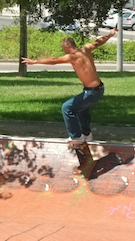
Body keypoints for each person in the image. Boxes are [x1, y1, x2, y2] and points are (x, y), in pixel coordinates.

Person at [22, 29, 117, 171]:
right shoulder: (86, 49)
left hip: (92, 92)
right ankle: (86, 134)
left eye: (63, 49)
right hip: (98, 89)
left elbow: (54, 60)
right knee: (81, 107)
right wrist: (109, 35)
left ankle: (77, 137)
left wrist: (35, 61)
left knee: (67, 108)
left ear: (67, 47)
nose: (64, 52)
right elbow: (99, 41)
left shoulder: (73, 56)